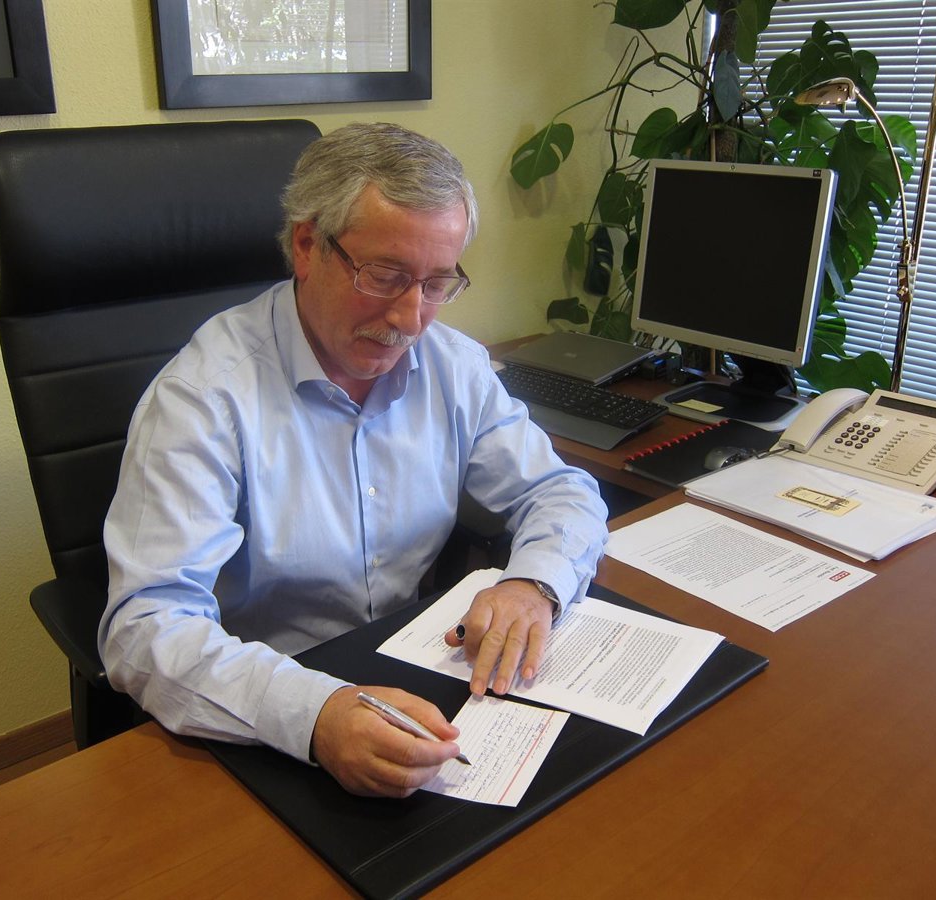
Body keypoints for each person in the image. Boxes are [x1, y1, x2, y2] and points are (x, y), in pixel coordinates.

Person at [99, 122, 608, 798]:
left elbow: (559, 491)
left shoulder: (451, 365)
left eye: (437, 283)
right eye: (385, 277)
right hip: (264, 707)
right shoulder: (203, 398)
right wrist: (314, 716)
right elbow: (146, 628)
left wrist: (533, 586)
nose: (410, 318)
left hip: (419, 669)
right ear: (306, 246)